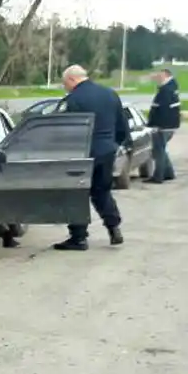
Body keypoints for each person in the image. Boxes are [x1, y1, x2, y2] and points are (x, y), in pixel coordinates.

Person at [55, 65, 129, 251]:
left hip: (81, 153)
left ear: (71, 80)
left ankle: (78, 238)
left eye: (65, 84)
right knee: (102, 191)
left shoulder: (73, 99)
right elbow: (122, 126)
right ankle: (114, 228)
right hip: (106, 151)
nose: (66, 87)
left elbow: (64, 130)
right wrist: (114, 145)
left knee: (76, 194)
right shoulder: (110, 94)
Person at [144, 68, 180, 184]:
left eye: (159, 76)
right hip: (170, 125)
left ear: (165, 75)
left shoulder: (165, 90)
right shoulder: (172, 88)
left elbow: (163, 110)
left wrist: (156, 125)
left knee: (158, 150)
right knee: (162, 149)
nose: (157, 78)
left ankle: (158, 176)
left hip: (163, 126)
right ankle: (169, 173)